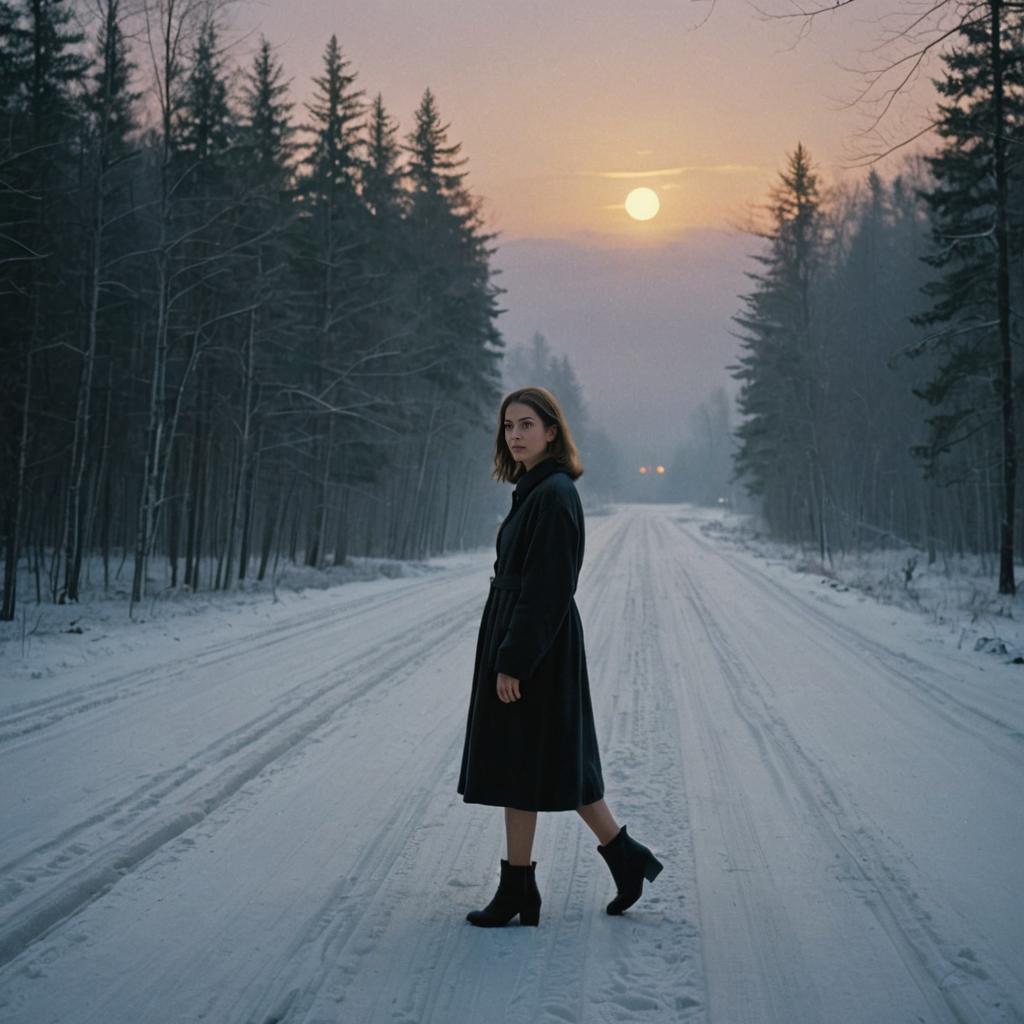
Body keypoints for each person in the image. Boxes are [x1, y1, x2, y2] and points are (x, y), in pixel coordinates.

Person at [457, 385, 663, 927]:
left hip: (536, 646)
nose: (516, 435)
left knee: (532, 762)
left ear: (552, 432)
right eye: (508, 426)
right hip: (526, 637)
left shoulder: (553, 494)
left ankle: (529, 887)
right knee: (535, 763)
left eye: (527, 424)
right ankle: (605, 864)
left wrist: (514, 660)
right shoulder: (534, 490)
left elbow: (550, 587)